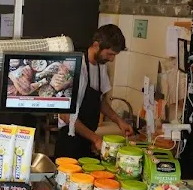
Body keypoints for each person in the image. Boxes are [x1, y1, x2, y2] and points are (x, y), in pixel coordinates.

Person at [54, 24, 134, 159]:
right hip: (69, 141)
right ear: (96, 45)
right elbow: (65, 115)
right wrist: (96, 139)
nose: (112, 59)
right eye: (110, 54)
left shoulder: (100, 66)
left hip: (87, 138)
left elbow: (99, 100)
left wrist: (118, 121)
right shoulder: (74, 66)